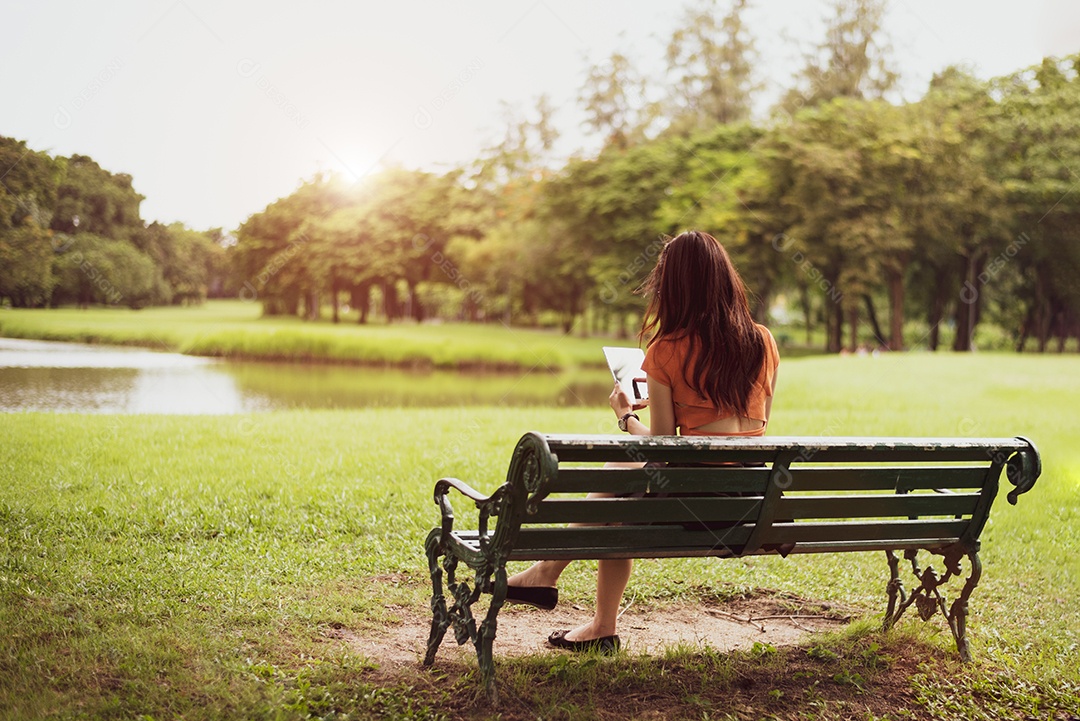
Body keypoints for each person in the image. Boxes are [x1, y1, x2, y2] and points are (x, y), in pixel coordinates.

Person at [505, 230, 780, 653]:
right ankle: (592, 618)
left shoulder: (667, 349)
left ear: (674, 287)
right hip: (749, 505)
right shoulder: (763, 341)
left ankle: (550, 576)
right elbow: (750, 424)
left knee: (620, 477)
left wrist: (627, 415)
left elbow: (661, 447)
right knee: (623, 484)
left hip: (694, 507)